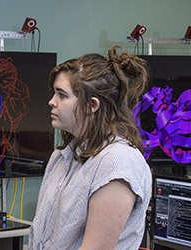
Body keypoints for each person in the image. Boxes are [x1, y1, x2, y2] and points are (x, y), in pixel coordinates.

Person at [30, 46, 151, 249]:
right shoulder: (61, 156)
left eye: (62, 95)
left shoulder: (118, 162)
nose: (52, 102)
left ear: (91, 105)